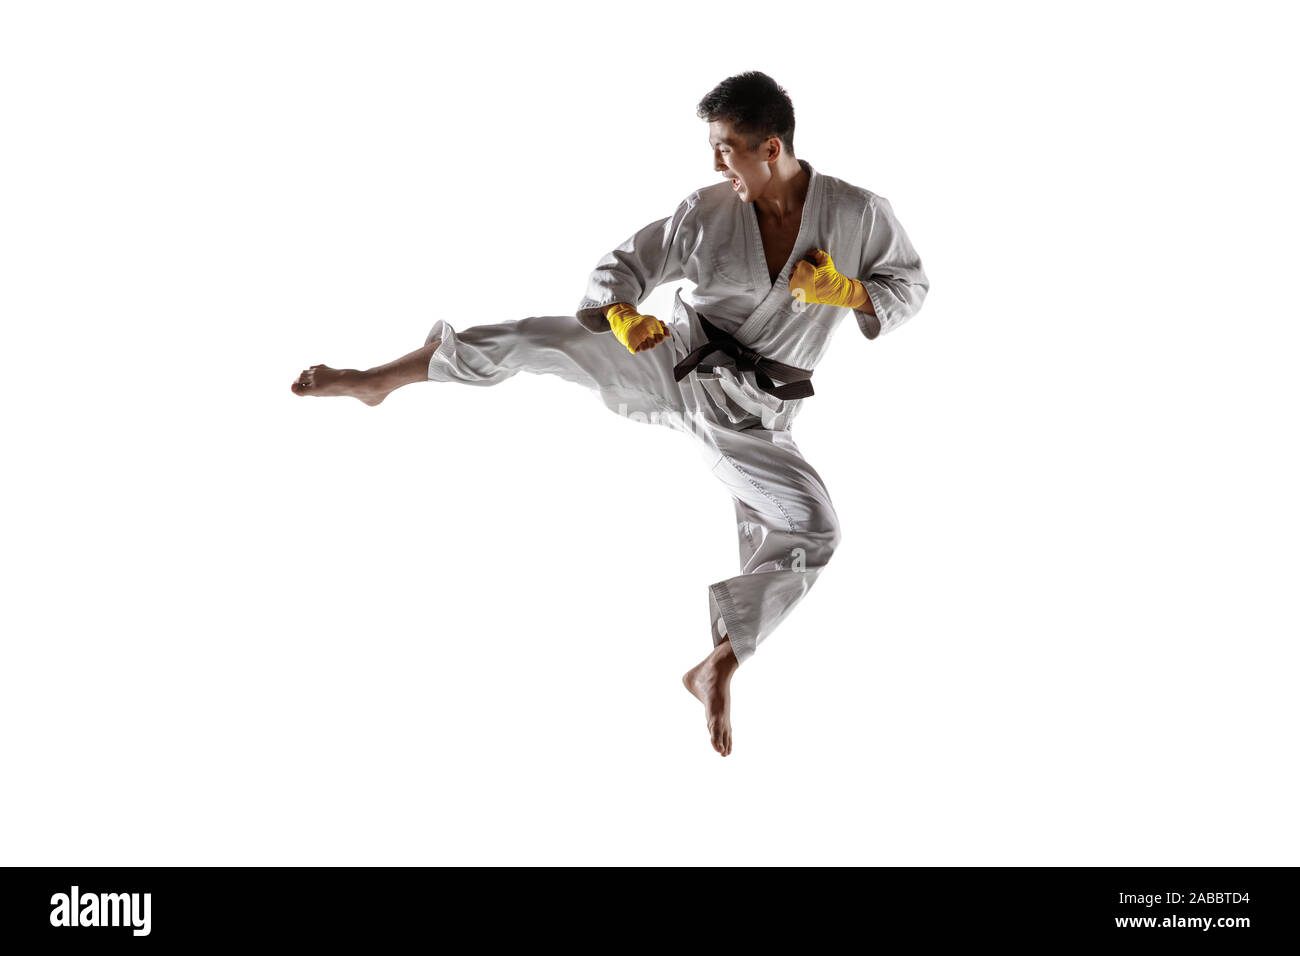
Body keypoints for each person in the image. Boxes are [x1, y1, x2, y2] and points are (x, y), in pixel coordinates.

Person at [291, 71, 929, 757]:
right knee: (541, 336)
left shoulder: (861, 215)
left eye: (726, 148)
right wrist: (624, 316)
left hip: (749, 416)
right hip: (676, 358)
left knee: (814, 529)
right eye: (713, 148)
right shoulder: (707, 211)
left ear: (770, 147)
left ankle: (720, 662)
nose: (716, 163)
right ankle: (376, 379)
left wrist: (846, 290)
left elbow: (909, 286)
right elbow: (625, 264)